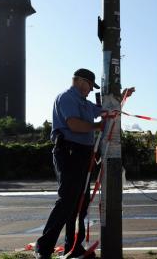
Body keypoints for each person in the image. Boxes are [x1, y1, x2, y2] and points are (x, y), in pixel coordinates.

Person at [35, 68, 134, 259]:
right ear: (80, 81)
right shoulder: (66, 98)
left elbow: (108, 113)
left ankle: (73, 247)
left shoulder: (85, 103)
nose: (90, 90)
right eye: (90, 86)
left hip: (82, 154)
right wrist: (97, 126)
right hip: (69, 152)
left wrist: (123, 98)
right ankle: (43, 247)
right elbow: (73, 124)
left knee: (80, 203)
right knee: (67, 200)